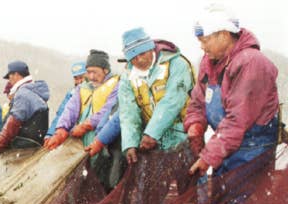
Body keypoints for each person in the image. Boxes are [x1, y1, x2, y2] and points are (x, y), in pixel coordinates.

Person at [186, 4, 279, 178]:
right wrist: (195, 126)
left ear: (224, 34)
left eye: (205, 40)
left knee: (246, 203)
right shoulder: (209, 62)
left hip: (252, 151)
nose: (201, 47)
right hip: (224, 148)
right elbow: (198, 102)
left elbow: (238, 119)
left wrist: (209, 157)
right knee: (222, 200)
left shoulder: (251, 63)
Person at [118, 28, 195, 164]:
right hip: (150, 144)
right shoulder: (127, 77)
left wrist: (152, 134)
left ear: (151, 48)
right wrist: (130, 143)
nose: (140, 60)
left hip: (183, 137)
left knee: (188, 180)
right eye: (133, 58)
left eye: (142, 53)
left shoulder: (177, 64)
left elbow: (172, 101)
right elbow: (128, 113)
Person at [45, 50, 119, 151]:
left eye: (95, 72)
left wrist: (85, 126)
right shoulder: (82, 88)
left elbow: (109, 110)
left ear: (105, 70)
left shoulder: (117, 85)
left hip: (107, 139)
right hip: (83, 140)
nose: (91, 76)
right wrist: (60, 131)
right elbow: (70, 110)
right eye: (89, 72)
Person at [0, 61, 50, 152]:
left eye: (9, 76)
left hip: (23, 143)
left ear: (16, 74)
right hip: (36, 141)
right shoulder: (34, 91)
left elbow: (13, 123)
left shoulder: (22, 94)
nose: (9, 81)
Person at [45, 61, 87, 140]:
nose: (79, 81)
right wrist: (50, 134)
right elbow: (61, 114)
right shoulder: (71, 94)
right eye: (76, 78)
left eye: (81, 77)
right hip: (70, 134)